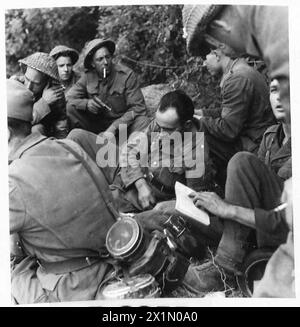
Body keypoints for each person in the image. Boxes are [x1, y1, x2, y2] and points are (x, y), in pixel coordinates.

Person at [8, 79, 118, 303]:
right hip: (111, 260)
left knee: (13, 276)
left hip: (71, 286)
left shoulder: (13, 180)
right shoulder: (70, 146)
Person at [181, 78, 292, 294]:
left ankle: (224, 268)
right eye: (273, 90)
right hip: (257, 225)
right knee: (176, 209)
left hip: (285, 227)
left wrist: (228, 209)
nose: (279, 97)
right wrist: (217, 203)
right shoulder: (271, 136)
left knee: (242, 160)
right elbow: (252, 190)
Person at [68, 90, 216, 213]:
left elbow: (195, 201)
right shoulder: (160, 124)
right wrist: (140, 183)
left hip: (151, 196)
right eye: (159, 126)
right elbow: (130, 150)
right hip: (133, 172)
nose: (161, 133)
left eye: (169, 130)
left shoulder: (197, 153)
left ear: (186, 124)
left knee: (94, 206)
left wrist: (162, 206)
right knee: (77, 136)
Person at [182, 4, 290, 124]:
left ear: (220, 26)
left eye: (214, 46)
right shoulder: (270, 26)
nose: (220, 52)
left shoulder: (279, 43)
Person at [195, 45, 275, 183]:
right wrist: (200, 113)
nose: (203, 63)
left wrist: (198, 120)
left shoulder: (237, 79)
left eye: (205, 57)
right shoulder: (241, 71)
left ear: (217, 54)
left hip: (256, 147)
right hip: (254, 139)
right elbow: (230, 112)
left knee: (194, 133)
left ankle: (200, 187)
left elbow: (228, 130)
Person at [66, 38, 149, 136]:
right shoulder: (88, 77)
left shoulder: (126, 75)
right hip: (98, 127)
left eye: (107, 57)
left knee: (143, 121)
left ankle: (126, 148)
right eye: (99, 59)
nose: (105, 62)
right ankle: (88, 142)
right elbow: (68, 98)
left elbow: (139, 108)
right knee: (70, 109)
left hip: (123, 126)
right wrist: (86, 104)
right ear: (92, 63)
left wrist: (114, 127)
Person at [11, 52, 68, 139]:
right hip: (15, 137)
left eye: (36, 83)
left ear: (47, 82)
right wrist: (44, 103)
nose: (28, 86)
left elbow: (61, 128)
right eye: (27, 79)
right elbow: (17, 123)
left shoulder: (55, 94)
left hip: (44, 138)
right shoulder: (14, 86)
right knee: (37, 129)